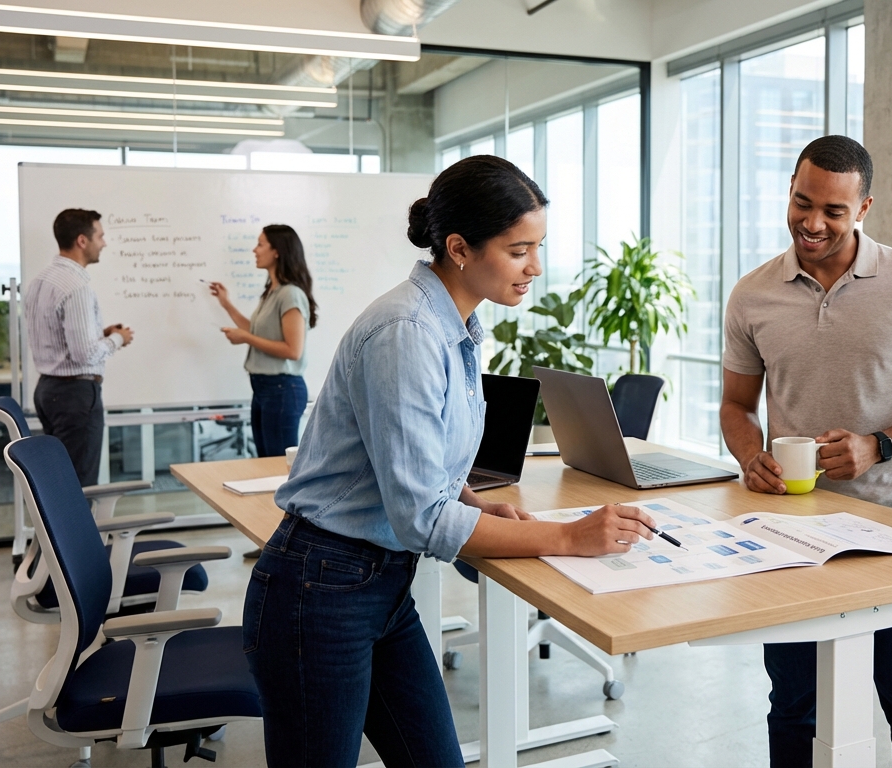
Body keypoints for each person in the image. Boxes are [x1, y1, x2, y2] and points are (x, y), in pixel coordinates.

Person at [242, 155, 658, 767]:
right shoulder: (407, 332)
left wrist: (468, 499)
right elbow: (421, 522)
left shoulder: (454, 325)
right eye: (519, 251)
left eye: (537, 247)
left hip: (378, 584)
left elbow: (421, 466)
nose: (535, 268)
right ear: (460, 248)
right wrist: (568, 536)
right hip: (321, 588)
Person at [720, 135, 892, 768]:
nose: (813, 222)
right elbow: (735, 405)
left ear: (863, 208)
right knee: (794, 705)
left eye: (833, 210)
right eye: (803, 203)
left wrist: (878, 445)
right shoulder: (752, 295)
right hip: (790, 530)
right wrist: (751, 457)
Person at [25, 208, 135, 486]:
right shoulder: (76, 286)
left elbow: (57, 337)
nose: (105, 243)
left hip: (48, 391)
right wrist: (118, 338)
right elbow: (84, 354)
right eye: (100, 235)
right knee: (78, 487)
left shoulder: (41, 280)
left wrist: (101, 333)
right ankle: (73, 531)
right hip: (74, 396)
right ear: (82, 241)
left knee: (58, 482)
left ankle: (52, 532)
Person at [208, 224, 317, 459]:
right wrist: (226, 304)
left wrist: (245, 338)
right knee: (265, 463)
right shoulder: (273, 292)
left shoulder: (290, 294)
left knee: (276, 468)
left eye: (260, 244)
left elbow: (293, 350)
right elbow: (256, 331)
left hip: (282, 389)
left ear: (276, 250)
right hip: (263, 388)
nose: (254, 250)